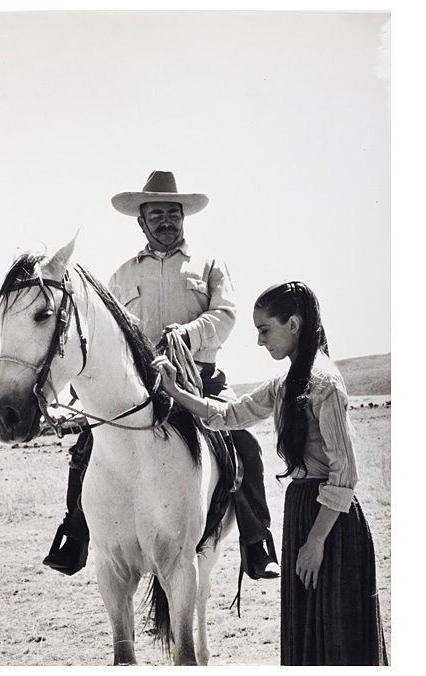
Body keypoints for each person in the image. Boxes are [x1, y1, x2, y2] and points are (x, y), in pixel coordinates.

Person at [42, 170, 280, 583]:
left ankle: (257, 543)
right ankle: (75, 535)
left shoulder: (208, 265)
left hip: (201, 380)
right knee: (86, 448)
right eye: (157, 214)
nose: (166, 220)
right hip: (139, 387)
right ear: (142, 221)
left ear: (183, 216)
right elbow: (107, 334)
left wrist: (188, 334)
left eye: (173, 212)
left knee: (244, 445)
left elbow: (226, 315)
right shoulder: (122, 275)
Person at [154, 281, 389, 666]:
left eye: (265, 330)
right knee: (310, 632)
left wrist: (314, 543)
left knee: (336, 634)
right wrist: (176, 391)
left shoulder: (324, 383)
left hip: (329, 522)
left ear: (293, 324)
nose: (260, 341)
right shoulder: (286, 383)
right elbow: (228, 415)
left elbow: (345, 475)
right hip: (304, 513)